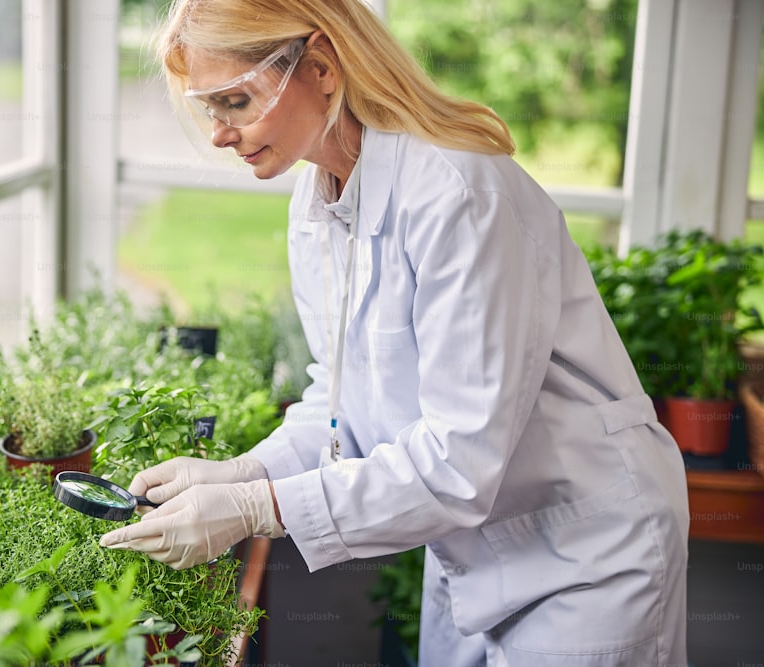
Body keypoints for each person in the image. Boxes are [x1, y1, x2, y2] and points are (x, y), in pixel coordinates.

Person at [99, 1, 690, 664]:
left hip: (585, 555)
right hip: (477, 551)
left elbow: (458, 461)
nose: (219, 133)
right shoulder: (317, 200)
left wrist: (256, 506)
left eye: (235, 100)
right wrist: (243, 471)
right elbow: (340, 396)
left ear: (320, 66)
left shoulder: (455, 191)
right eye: (208, 108)